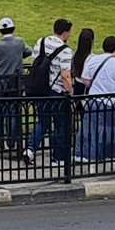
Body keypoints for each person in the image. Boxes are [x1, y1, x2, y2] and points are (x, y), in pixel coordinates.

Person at [76, 33, 115, 163]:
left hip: (95, 102)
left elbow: (86, 80)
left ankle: (92, 159)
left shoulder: (93, 60)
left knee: (93, 132)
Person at [25, 18, 73, 160]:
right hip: (56, 91)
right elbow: (65, 75)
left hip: (39, 88)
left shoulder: (41, 41)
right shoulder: (65, 51)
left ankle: (30, 149)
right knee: (60, 124)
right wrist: (70, 92)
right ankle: (58, 158)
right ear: (65, 33)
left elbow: (34, 62)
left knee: (43, 121)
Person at [0, 15, 27, 154]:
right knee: (13, 112)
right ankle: (12, 140)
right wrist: (17, 57)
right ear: (14, 28)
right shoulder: (19, 42)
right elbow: (28, 51)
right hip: (15, 82)